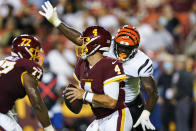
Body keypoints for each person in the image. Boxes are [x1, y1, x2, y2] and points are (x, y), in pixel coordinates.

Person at [39, 1, 158, 131]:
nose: (122, 51)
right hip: (106, 107)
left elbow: (152, 92)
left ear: (135, 48)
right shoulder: (106, 46)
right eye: (121, 47)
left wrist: (146, 113)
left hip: (130, 104)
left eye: (127, 49)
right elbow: (82, 39)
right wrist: (56, 22)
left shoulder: (141, 61)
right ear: (115, 42)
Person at [0, 34, 54, 131]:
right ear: (24, 51)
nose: (37, 57)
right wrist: (49, 129)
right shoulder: (25, 67)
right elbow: (37, 104)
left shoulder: (4, 60)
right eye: (34, 52)